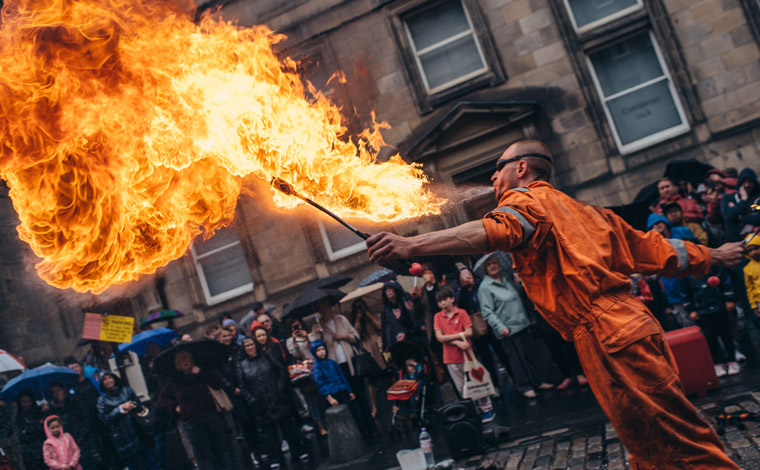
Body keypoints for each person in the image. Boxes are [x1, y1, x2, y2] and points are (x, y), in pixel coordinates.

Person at [366, 139, 746, 469]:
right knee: (647, 440)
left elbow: (491, 231)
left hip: (609, 332)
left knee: (680, 439)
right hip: (625, 328)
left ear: (521, 167)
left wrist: (413, 245)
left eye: (497, 169)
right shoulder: (590, 213)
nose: (493, 179)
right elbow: (659, 250)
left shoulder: (524, 202)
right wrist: (713, 254)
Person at [477, 253, 553, 399]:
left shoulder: (506, 279)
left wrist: (517, 284)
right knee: (517, 361)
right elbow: (487, 312)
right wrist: (500, 327)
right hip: (508, 329)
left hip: (522, 324)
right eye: (489, 264)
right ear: (485, 269)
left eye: (494, 263)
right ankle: (524, 386)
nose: (493, 266)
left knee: (531, 356)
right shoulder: (485, 287)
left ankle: (537, 382)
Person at [310, 298, 378, 438]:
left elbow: (356, 336)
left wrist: (344, 336)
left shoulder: (341, 319)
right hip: (335, 369)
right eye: (320, 308)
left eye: (326, 306)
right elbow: (317, 347)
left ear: (331, 307)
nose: (324, 310)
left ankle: (371, 428)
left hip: (351, 363)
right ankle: (358, 432)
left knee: (361, 397)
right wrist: (319, 333)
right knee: (348, 401)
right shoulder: (317, 326)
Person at [237, 337, 309, 469]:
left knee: (289, 427)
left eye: (252, 344)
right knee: (269, 434)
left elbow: (281, 371)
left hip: (277, 397)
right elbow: (243, 387)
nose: (250, 347)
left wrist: (281, 388)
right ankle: (276, 458)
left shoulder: (267, 356)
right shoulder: (242, 365)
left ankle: (298, 452)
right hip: (261, 404)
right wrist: (252, 401)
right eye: (247, 346)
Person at [156, 351, 231, 470]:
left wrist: (201, 372)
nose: (185, 361)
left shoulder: (201, 372)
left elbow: (218, 383)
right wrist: (175, 406)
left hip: (211, 416)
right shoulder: (174, 381)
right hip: (192, 422)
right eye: (181, 359)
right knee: (203, 455)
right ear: (177, 365)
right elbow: (162, 399)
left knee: (220, 451)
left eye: (187, 358)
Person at [434, 286, 495, 423]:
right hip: (450, 358)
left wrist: (453, 337)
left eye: (445, 299)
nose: (443, 303)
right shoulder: (438, 317)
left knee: (477, 382)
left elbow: (469, 332)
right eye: (440, 301)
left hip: (468, 356)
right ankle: (474, 411)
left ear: (452, 299)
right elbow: (440, 337)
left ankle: (487, 408)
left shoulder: (461, 313)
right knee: (463, 389)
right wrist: (458, 341)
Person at [455, 267, 511, 390]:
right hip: (476, 328)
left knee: (502, 352)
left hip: (490, 323)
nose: (467, 279)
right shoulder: (460, 293)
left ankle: (514, 377)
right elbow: (462, 308)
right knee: (486, 359)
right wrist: (465, 289)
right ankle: (495, 385)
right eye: (463, 278)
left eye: (469, 276)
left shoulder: (481, 286)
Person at [681, 267, 739, 377]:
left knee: (726, 335)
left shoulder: (713, 267)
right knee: (710, 338)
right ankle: (717, 363)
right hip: (702, 311)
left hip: (720, 307)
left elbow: (726, 283)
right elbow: (684, 293)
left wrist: (729, 299)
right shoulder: (685, 275)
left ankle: (732, 360)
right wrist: (691, 310)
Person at [96, 372, 156, 470]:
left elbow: (139, 405)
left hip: (138, 431)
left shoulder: (127, 390)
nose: (108, 381)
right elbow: (104, 418)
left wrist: (132, 405)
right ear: (102, 383)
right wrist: (120, 409)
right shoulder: (102, 401)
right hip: (122, 437)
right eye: (105, 379)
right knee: (133, 465)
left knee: (149, 461)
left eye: (110, 378)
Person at [309, 340, 366, 437]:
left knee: (352, 413)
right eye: (318, 350)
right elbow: (320, 384)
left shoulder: (332, 363)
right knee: (339, 418)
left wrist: (349, 391)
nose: (322, 352)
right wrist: (329, 397)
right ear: (314, 352)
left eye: (323, 349)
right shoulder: (316, 368)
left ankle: (359, 434)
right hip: (333, 395)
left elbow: (342, 377)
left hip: (342, 391)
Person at [286, 318, 327, 436]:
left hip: (316, 369)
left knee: (323, 398)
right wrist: (295, 342)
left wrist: (307, 338)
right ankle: (320, 427)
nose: (297, 329)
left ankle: (327, 422)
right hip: (304, 372)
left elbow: (316, 348)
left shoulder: (310, 335)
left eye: (298, 326)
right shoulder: (290, 341)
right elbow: (295, 355)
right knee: (311, 401)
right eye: (294, 327)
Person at [351, 299, 386, 419]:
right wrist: (358, 319)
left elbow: (380, 327)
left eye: (361, 307)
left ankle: (395, 402)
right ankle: (374, 407)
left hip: (378, 347)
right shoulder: (356, 321)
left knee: (388, 375)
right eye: (357, 308)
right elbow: (355, 334)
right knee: (371, 381)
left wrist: (370, 316)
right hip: (367, 350)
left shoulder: (372, 315)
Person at [16, 390, 47, 470]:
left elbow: (44, 427)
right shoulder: (18, 416)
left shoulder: (39, 411)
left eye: (29, 401)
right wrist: (36, 427)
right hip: (29, 453)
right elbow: (20, 434)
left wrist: (28, 430)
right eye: (24, 401)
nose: (27, 403)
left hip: (43, 448)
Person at [743, 234, 760, 321]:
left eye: (756, 248)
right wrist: (754, 305)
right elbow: (749, 288)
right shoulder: (747, 268)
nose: (753, 252)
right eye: (750, 250)